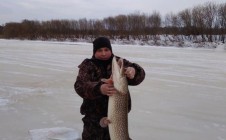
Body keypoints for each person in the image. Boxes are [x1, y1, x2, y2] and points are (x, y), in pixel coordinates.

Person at [74, 37, 145, 140]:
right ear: (94, 52)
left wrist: (134, 71)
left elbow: (139, 75)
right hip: (93, 121)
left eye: (106, 50)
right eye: (99, 50)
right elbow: (79, 86)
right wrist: (99, 88)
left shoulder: (118, 62)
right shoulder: (88, 65)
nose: (103, 53)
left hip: (117, 119)